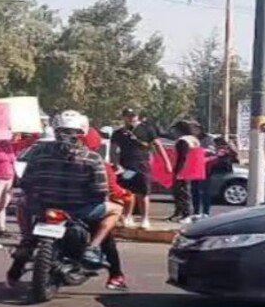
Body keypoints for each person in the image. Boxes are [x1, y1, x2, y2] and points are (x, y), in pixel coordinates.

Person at [18, 110, 122, 270]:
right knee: (116, 210)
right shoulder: (93, 158)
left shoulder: (38, 153)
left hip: (43, 206)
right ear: (82, 133)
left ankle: (25, 240)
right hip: (79, 210)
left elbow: (25, 182)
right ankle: (92, 248)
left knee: (22, 203)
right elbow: (100, 190)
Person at [84, 129, 130, 291]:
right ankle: (115, 275)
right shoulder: (97, 162)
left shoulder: (52, 159)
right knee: (108, 236)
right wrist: (125, 194)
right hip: (86, 210)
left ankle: (15, 272)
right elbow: (111, 189)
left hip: (50, 206)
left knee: (30, 240)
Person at [111, 108, 171, 230]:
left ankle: (145, 219)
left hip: (142, 164)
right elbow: (113, 149)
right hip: (126, 166)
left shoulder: (147, 129)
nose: (131, 118)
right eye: (128, 116)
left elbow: (158, 145)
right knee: (128, 192)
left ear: (137, 116)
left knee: (143, 192)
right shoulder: (119, 133)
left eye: (133, 115)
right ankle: (127, 216)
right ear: (124, 117)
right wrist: (116, 164)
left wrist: (167, 163)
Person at [171, 121, 199, 224]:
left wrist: (178, 172)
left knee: (182, 192)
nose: (174, 132)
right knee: (188, 192)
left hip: (183, 170)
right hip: (193, 169)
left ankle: (186, 214)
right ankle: (182, 214)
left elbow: (182, 157)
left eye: (175, 130)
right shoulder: (193, 139)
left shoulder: (182, 141)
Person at [190, 122, 215, 219]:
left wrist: (200, 150)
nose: (193, 130)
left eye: (194, 128)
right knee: (194, 190)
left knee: (205, 190)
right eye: (191, 128)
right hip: (194, 167)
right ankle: (196, 212)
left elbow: (212, 150)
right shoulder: (191, 139)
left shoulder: (208, 138)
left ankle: (206, 212)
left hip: (205, 167)